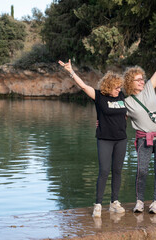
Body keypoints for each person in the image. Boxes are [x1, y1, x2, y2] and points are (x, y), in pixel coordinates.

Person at [58, 59, 127, 218]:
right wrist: (71, 71)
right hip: (104, 139)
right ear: (109, 87)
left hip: (121, 139)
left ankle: (114, 202)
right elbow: (83, 86)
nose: (119, 90)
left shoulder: (121, 96)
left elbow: (126, 113)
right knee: (104, 170)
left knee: (117, 170)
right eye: (116, 87)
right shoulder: (99, 96)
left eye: (120, 87)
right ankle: (98, 204)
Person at [123, 34, 156, 214]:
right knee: (142, 170)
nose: (142, 81)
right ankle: (139, 202)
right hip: (143, 139)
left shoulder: (149, 88)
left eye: (142, 78)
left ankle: (155, 203)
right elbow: (116, 116)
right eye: (138, 79)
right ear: (130, 82)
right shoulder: (127, 102)